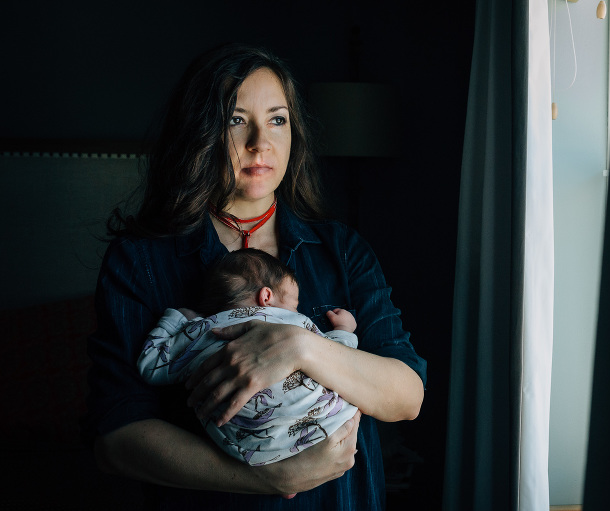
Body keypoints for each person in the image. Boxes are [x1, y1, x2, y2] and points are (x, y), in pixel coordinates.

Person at [83, 42, 426, 510]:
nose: (259, 141)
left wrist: (299, 346)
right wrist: (264, 478)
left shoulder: (342, 250)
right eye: (236, 119)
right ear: (201, 131)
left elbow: (406, 396)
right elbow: (116, 439)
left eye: (278, 119)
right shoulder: (141, 259)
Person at [137, 248, 360, 467]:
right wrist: (344, 330)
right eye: (294, 305)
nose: (296, 311)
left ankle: (283, 472)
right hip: (327, 422)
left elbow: (149, 366)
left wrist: (176, 319)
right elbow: (337, 358)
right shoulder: (294, 324)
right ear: (266, 296)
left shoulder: (198, 332)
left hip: (247, 449)